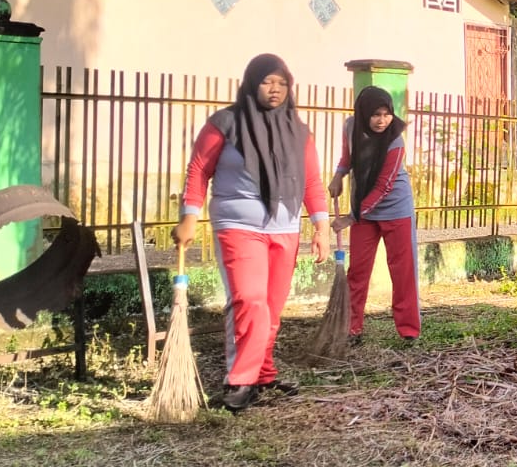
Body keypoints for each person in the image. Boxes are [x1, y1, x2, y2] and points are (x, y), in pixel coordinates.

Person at [176, 54, 332, 412]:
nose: (275, 89)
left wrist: (321, 227)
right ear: (251, 83)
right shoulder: (225, 124)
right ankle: (240, 379)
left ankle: (263, 373)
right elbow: (199, 169)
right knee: (250, 300)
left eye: (281, 83)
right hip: (238, 224)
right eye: (267, 82)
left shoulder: (299, 131)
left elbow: (311, 181)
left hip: (286, 227)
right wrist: (189, 215)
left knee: (272, 308)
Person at [329, 87, 420, 345]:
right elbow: (348, 158)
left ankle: (408, 329)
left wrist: (351, 217)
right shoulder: (351, 127)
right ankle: (352, 327)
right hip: (363, 211)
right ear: (363, 114)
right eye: (375, 115)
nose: (382, 121)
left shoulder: (395, 141)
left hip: (395, 209)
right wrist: (338, 176)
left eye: (386, 114)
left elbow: (384, 186)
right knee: (357, 270)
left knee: (403, 270)